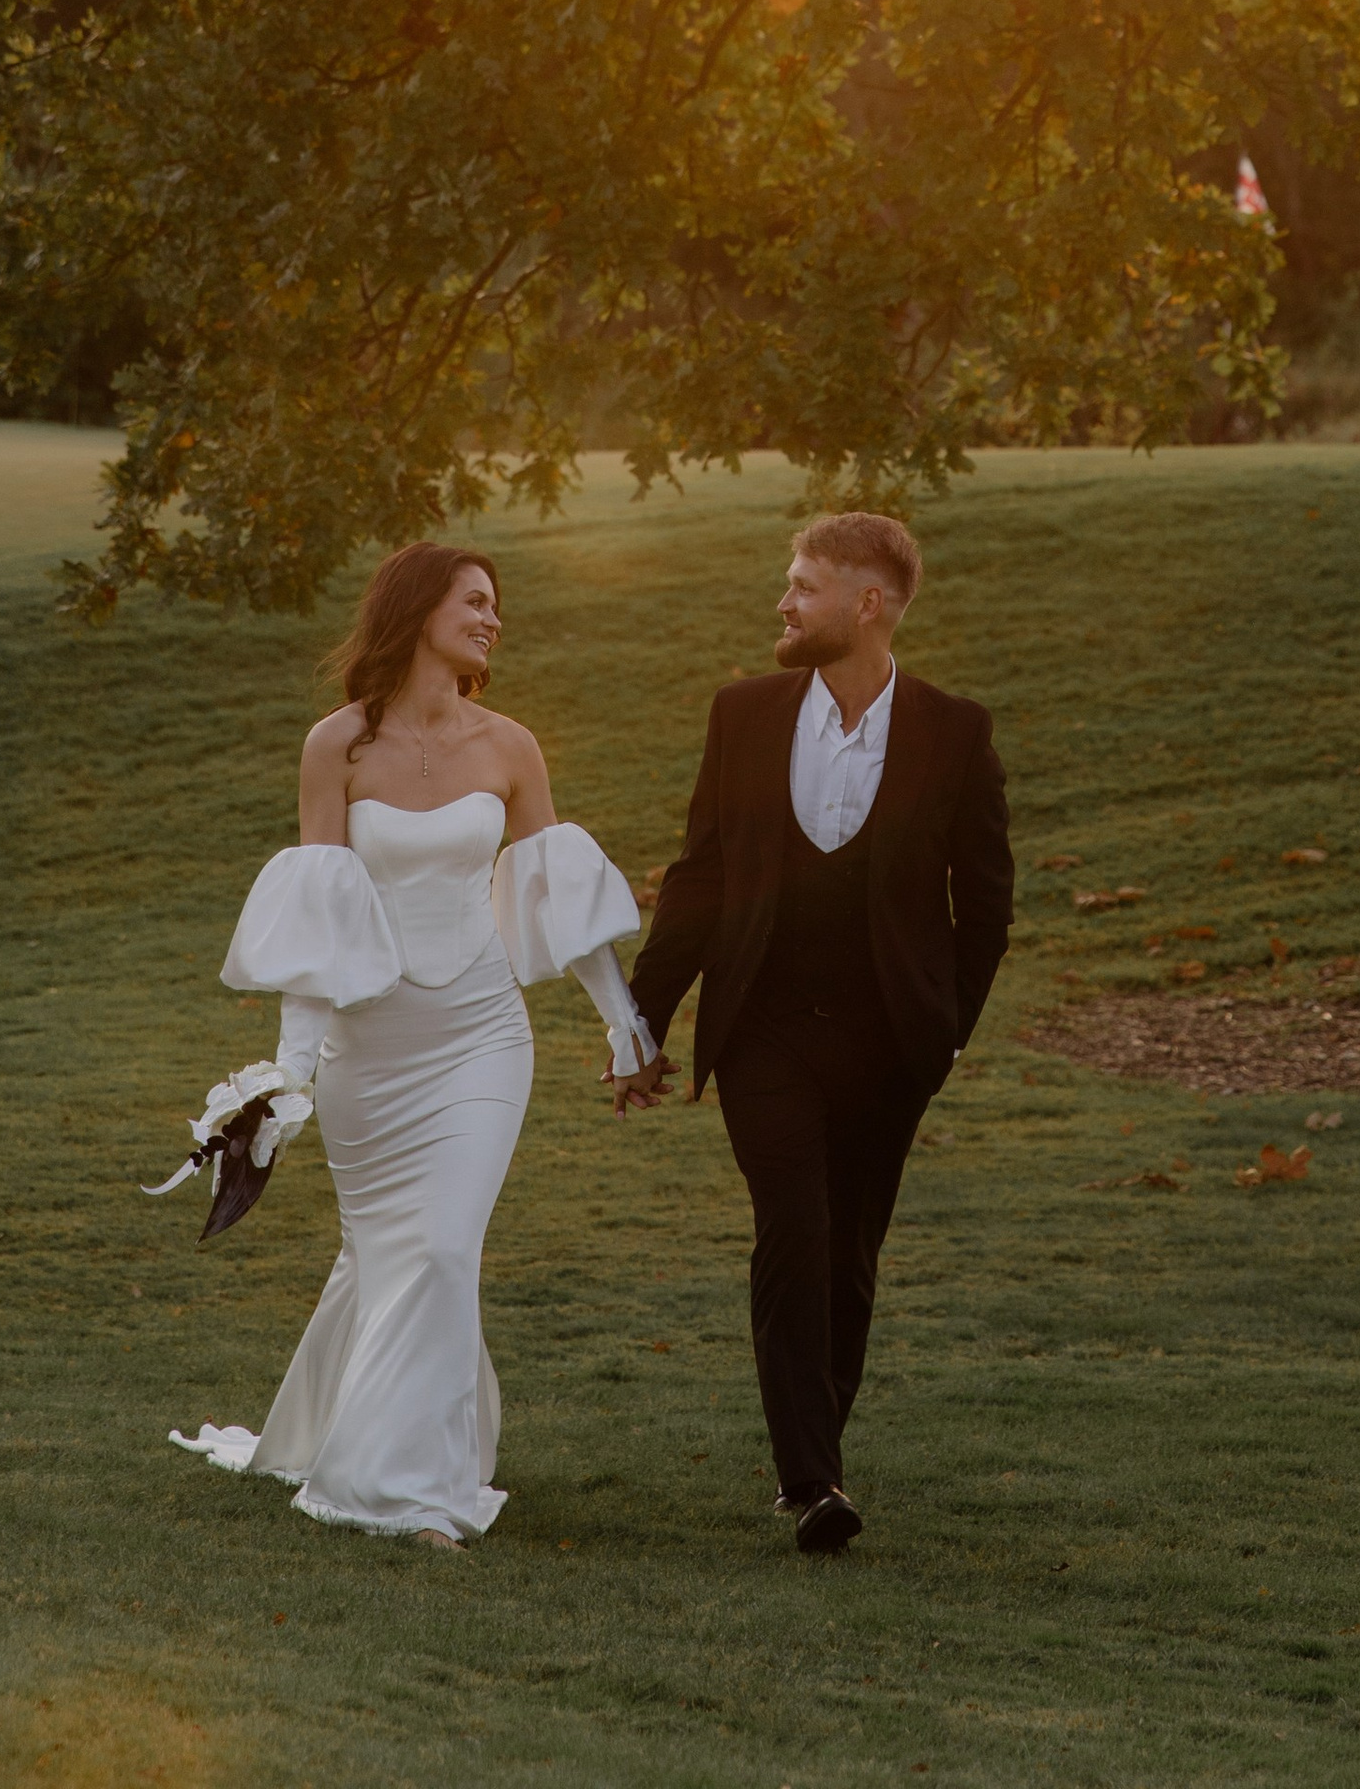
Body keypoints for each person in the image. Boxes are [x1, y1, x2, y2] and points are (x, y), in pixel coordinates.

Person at [167, 544, 654, 1544]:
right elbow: (318, 922)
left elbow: (552, 896)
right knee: (390, 1253)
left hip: (481, 1038)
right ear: (418, 607)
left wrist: (624, 1023)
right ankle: (362, 1435)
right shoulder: (335, 747)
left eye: (496, 606)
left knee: (440, 1247)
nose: (493, 619)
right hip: (368, 1051)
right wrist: (287, 1076)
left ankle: (410, 1493)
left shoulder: (511, 746)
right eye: (475, 601)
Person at [622, 510, 1014, 1556]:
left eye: (802, 586)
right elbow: (698, 881)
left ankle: (818, 1458)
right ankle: (810, 1482)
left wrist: (947, 1035)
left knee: (850, 1253)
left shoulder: (954, 731)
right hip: (764, 1030)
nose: (783, 604)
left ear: (866, 603)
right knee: (793, 1230)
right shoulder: (742, 714)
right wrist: (642, 1019)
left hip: (891, 1043)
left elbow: (985, 907)